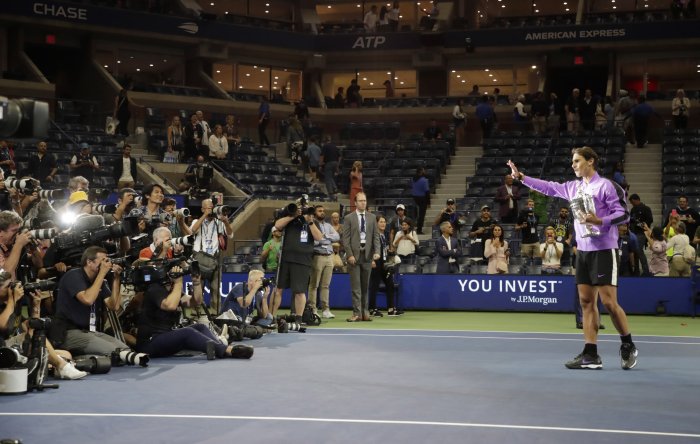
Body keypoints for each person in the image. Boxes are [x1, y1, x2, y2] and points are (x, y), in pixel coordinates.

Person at [508, 146, 638, 370]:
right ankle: (590, 354)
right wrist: (521, 177)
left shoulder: (606, 185)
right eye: (572, 162)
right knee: (587, 302)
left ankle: (628, 344)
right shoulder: (573, 187)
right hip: (583, 251)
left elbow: (624, 214)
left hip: (605, 249)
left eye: (577, 161)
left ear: (590, 161)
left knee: (608, 302)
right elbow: (548, 188)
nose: (573, 165)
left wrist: (600, 220)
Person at [136, 239, 253, 359]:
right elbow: (169, 305)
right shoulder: (154, 288)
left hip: (165, 336)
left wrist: (197, 283)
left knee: (200, 327)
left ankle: (218, 346)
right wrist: (178, 282)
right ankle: (225, 350)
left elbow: (195, 301)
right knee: (187, 333)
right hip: (150, 342)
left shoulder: (171, 291)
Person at [52, 246, 149, 366]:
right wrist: (102, 273)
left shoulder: (100, 281)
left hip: (90, 331)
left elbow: (113, 306)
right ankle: (78, 357)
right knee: (113, 352)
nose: (106, 263)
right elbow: (88, 299)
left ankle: (85, 355)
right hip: (68, 332)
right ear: (89, 262)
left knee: (125, 350)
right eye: (102, 260)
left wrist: (116, 279)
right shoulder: (73, 276)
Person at [274, 198, 323, 322]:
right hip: (286, 258)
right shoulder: (290, 218)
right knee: (278, 289)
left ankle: (298, 318)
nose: (304, 210)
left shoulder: (313, 221)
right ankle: (271, 317)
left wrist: (310, 222)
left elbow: (319, 237)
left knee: (300, 292)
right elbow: (277, 225)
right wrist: (293, 216)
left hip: (303, 260)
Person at [189, 199, 234, 314]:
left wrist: (225, 222)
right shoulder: (196, 221)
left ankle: (215, 314)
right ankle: (197, 313)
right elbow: (192, 231)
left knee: (215, 289)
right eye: (207, 207)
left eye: (212, 207)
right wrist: (205, 215)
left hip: (215, 259)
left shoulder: (219, 222)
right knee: (198, 288)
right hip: (200, 259)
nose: (211, 209)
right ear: (202, 209)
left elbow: (231, 235)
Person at [342, 192, 380, 322]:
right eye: (361, 200)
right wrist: (350, 255)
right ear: (355, 203)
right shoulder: (348, 218)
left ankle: (365, 313)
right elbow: (345, 240)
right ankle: (357, 313)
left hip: (368, 255)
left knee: (365, 286)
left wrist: (377, 251)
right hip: (354, 256)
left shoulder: (372, 217)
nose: (363, 202)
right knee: (356, 287)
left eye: (365, 200)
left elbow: (376, 236)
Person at [308, 205, 340, 319]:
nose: (322, 213)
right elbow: (315, 241)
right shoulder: (312, 226)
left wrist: (324, 237)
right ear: (315, 213)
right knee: (314, 285)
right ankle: (313, 309)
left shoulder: (328, 225)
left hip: (329, 257)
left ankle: (326, 309)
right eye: (319, 211)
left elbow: (337, 237)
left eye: (323, 211)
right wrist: (324, 240)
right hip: (317, 256)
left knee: (326, 285)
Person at [368, 215, 399, 317]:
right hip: (375, 263)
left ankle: (391, 309)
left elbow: (385, 250)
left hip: (385, 264)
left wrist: (391, 259)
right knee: (374, 286)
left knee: (390, 284)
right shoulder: (372, 235)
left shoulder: (385, 235)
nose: (383, 224)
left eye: (384, 222)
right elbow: (369, 249)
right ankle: (372, 309)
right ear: (376, 223)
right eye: (381, 222)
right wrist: (371, 260)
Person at [628, 194, 653, 276]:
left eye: (632, 202)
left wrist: (641, 224)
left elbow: (650, 220)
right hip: (633, 233)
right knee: (634, 252)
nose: (632, 204)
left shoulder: (646, 209)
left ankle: (646, 270)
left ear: (636, 200)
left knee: (639, 251)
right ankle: (636, 271)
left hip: (642, 233)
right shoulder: (633, 210)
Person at [515, 198, 540, 262]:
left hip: (536, 241)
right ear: (526, 206)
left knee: (537, 261)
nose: (531, 206)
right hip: (526, 242)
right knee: (525, 262)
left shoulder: (536, 215)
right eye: (530, 205)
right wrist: (522, 226)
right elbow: (516, 227)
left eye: (532, 205)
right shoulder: (522, 215)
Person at [411, 167, 430, 234]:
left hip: (414, 198)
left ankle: (413, 229)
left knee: (416, 214)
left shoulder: (413, 179)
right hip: (422, 199)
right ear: (422, 172)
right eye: (424, 171)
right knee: (421, 215)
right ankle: (419, 230)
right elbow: (427, 192)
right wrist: (428, 202)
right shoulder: (424, 180)